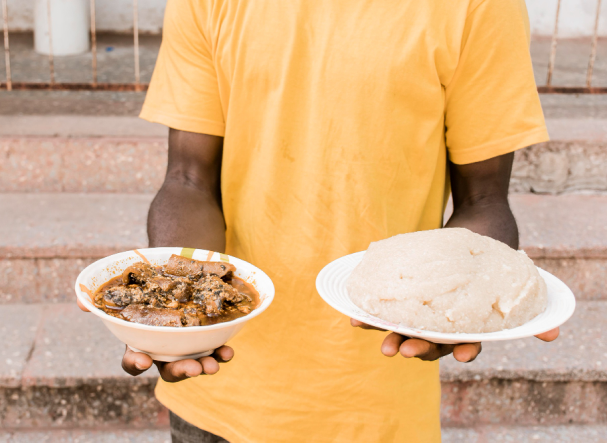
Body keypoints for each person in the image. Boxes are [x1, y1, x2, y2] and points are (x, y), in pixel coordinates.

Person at [78, 0, 560, 441]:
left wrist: (481, 303)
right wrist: (179, 321)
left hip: (379, 400)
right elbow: (187, 179)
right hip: (220, 391)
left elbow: (484, 199)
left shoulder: (479, 6)